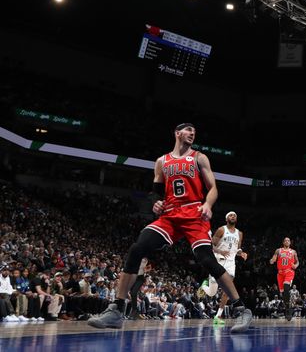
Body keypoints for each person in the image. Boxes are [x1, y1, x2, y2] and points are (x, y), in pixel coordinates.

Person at [88, 123, 252, 333]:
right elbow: (156, 192)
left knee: (207, 260)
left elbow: (213, 189)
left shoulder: (199, 157)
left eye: (194, 131)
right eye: (188, 130)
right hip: (171, 216)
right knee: (137, 249)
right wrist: (156, 202)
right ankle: (116, 310)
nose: (192, 133)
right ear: (177, 133)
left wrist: (208, 204)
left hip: (195, 213)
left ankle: (241, 310)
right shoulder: (162, 161)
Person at [200, 211, 248, 325]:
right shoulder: (222, 230)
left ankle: (218, 316)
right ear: (227, 219)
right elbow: (210, 245)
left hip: (231, 263)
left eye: (235, 215)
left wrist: (241, 253)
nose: (233, 216)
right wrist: (220, 251)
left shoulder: (239, 233)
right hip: (218, 261)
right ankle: (204, 285)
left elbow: (238, 249)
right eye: (231, 215)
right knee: (212, 293)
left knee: (228, 289)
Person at [270, 237, 299, 321]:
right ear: (283, 242)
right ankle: (287, 307)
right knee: (282, 293)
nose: (287, 241)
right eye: (285, 240)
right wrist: (272, 260)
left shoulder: (293, 252)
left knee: (286, 286)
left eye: (288, 240)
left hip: (289, 272)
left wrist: (296, 266)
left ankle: (288, 309)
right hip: (280, 273)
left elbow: (297, 262)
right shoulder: (278, 250)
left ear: (290, 243)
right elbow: (273, 258)